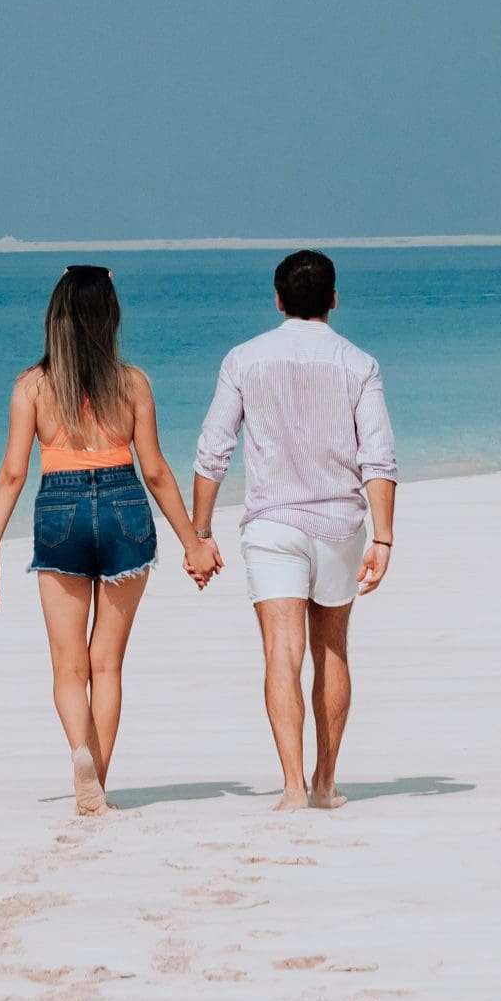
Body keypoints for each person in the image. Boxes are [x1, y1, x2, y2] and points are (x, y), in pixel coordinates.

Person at [0, 263, 221, 814]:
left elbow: (14, 472)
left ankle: (80, 756)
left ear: (55, 317)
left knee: (69, 667)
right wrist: (193, 543)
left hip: (58, 507)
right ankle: (99, 784)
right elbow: (155, 470)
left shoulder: (32, 387)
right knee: (106, 663)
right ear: (110, 316)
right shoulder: (132, 383)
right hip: (123, 505)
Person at [187, 248, 396, 813]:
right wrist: (383, 537)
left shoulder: (244, 359)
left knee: (282, 652)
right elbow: (378, 458)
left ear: (278, 300)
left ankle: (291, 787)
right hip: (339, 523)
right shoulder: (360, 364)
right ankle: (326, 782)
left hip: (273, 523)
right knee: (332, 648)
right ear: (333, 299)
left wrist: (199, 532)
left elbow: (214, 450)